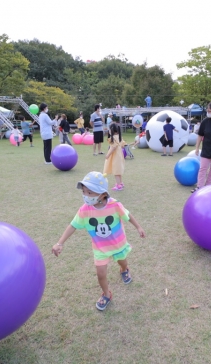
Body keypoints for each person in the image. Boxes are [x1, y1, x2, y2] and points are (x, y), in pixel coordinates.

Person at [51, 171, 146, 311]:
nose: (86, 196)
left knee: (122, 261)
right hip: (100, 248)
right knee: (101, 273)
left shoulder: (115, 205)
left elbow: (127, 215)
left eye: (90, 193)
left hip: (118, 244)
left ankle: (124, 269)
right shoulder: (84, 210)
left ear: (103, 194)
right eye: (84, 192)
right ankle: (107, 294)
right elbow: (73, 225)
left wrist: (138, 227)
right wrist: (60, 243)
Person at [103, 115, 127, 190]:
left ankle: (118, 186)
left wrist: (107, 155)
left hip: (115, 157)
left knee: (116, 171)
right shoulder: (119, 137)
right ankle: (120, 183)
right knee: (118, 170)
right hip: (119, 156)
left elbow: (113, 147)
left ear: (112, 130)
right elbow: (123, 145)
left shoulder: (113, 138)